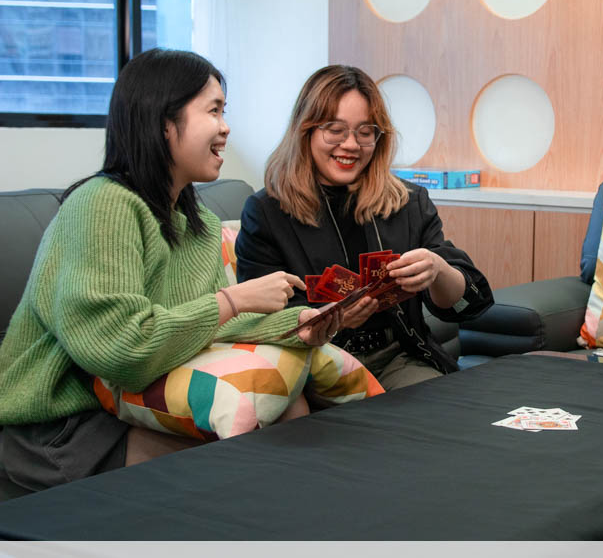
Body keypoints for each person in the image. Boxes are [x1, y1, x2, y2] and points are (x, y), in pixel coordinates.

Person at [0, 49, 340, 492]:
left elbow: (210, 326)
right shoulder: (102, 205)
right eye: (213, 110)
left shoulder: (197, 222)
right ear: (163, 122)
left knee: (293, 413)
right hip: (62, 424)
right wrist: (233, 298)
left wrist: (297, 324)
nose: (226, 127)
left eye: (224, 110)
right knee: (261, 460)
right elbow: (119, 348)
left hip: (128, 401)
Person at [235, 65, 493, 390]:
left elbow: (470, 306)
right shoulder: (266, 212)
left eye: (365, 132)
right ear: (306, 131)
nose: (351, 145)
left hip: (398, 358)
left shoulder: (408, 202)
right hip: (312, 367)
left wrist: (439, 270)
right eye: (335, 130)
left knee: (434, 411)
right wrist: (331, 322)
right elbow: (258, 322)